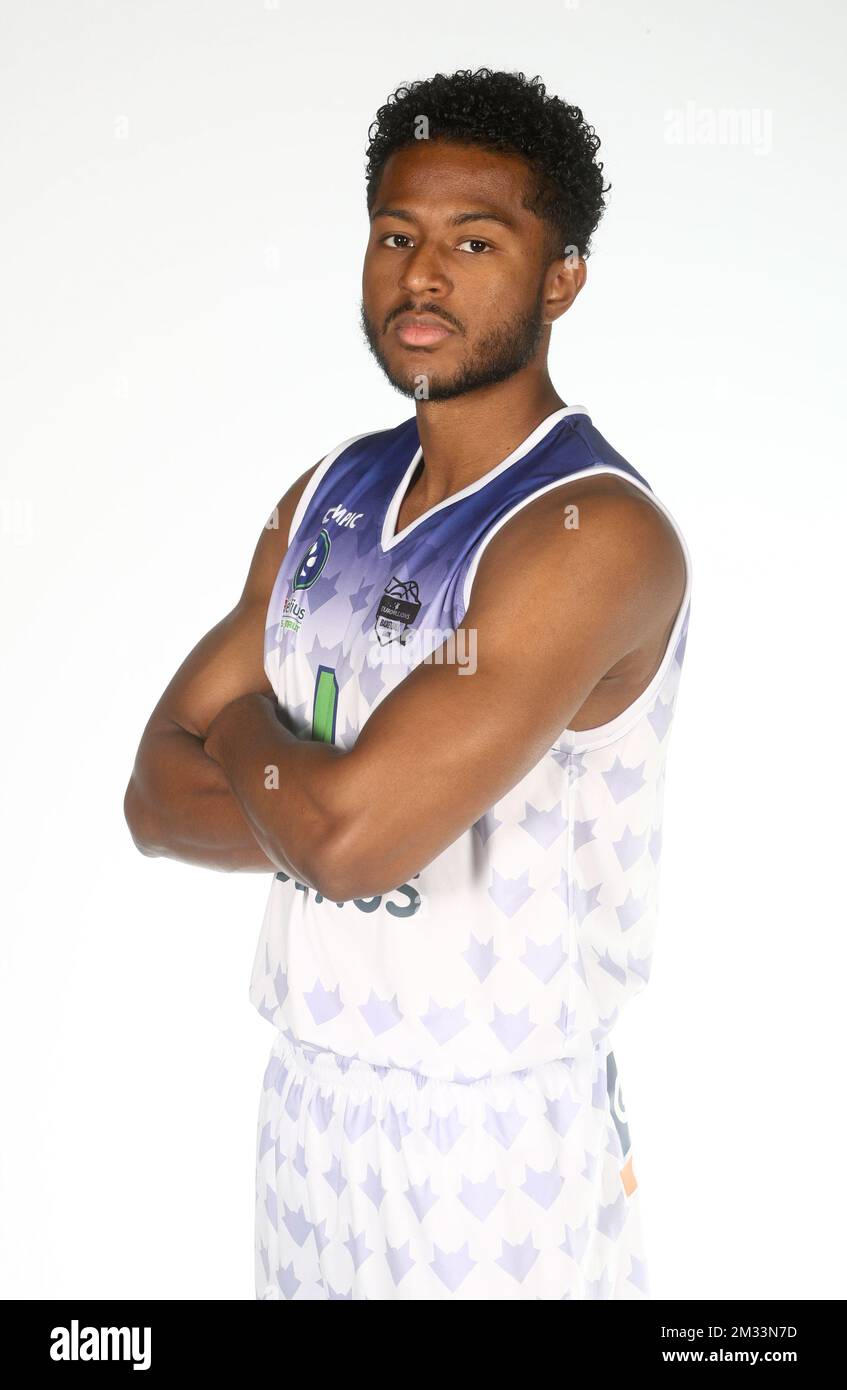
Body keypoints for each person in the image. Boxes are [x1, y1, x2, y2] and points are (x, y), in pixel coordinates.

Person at [124, 66, 692, 1301]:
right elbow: (152, 805)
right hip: (306, 1098)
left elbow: (347, 840)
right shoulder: (326, 490)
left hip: (492, 1132)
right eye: (396, 236)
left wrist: (238, 735)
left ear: (561, 280)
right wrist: (313, 796)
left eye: (474, 241)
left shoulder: (590, 534)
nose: (421, 276)